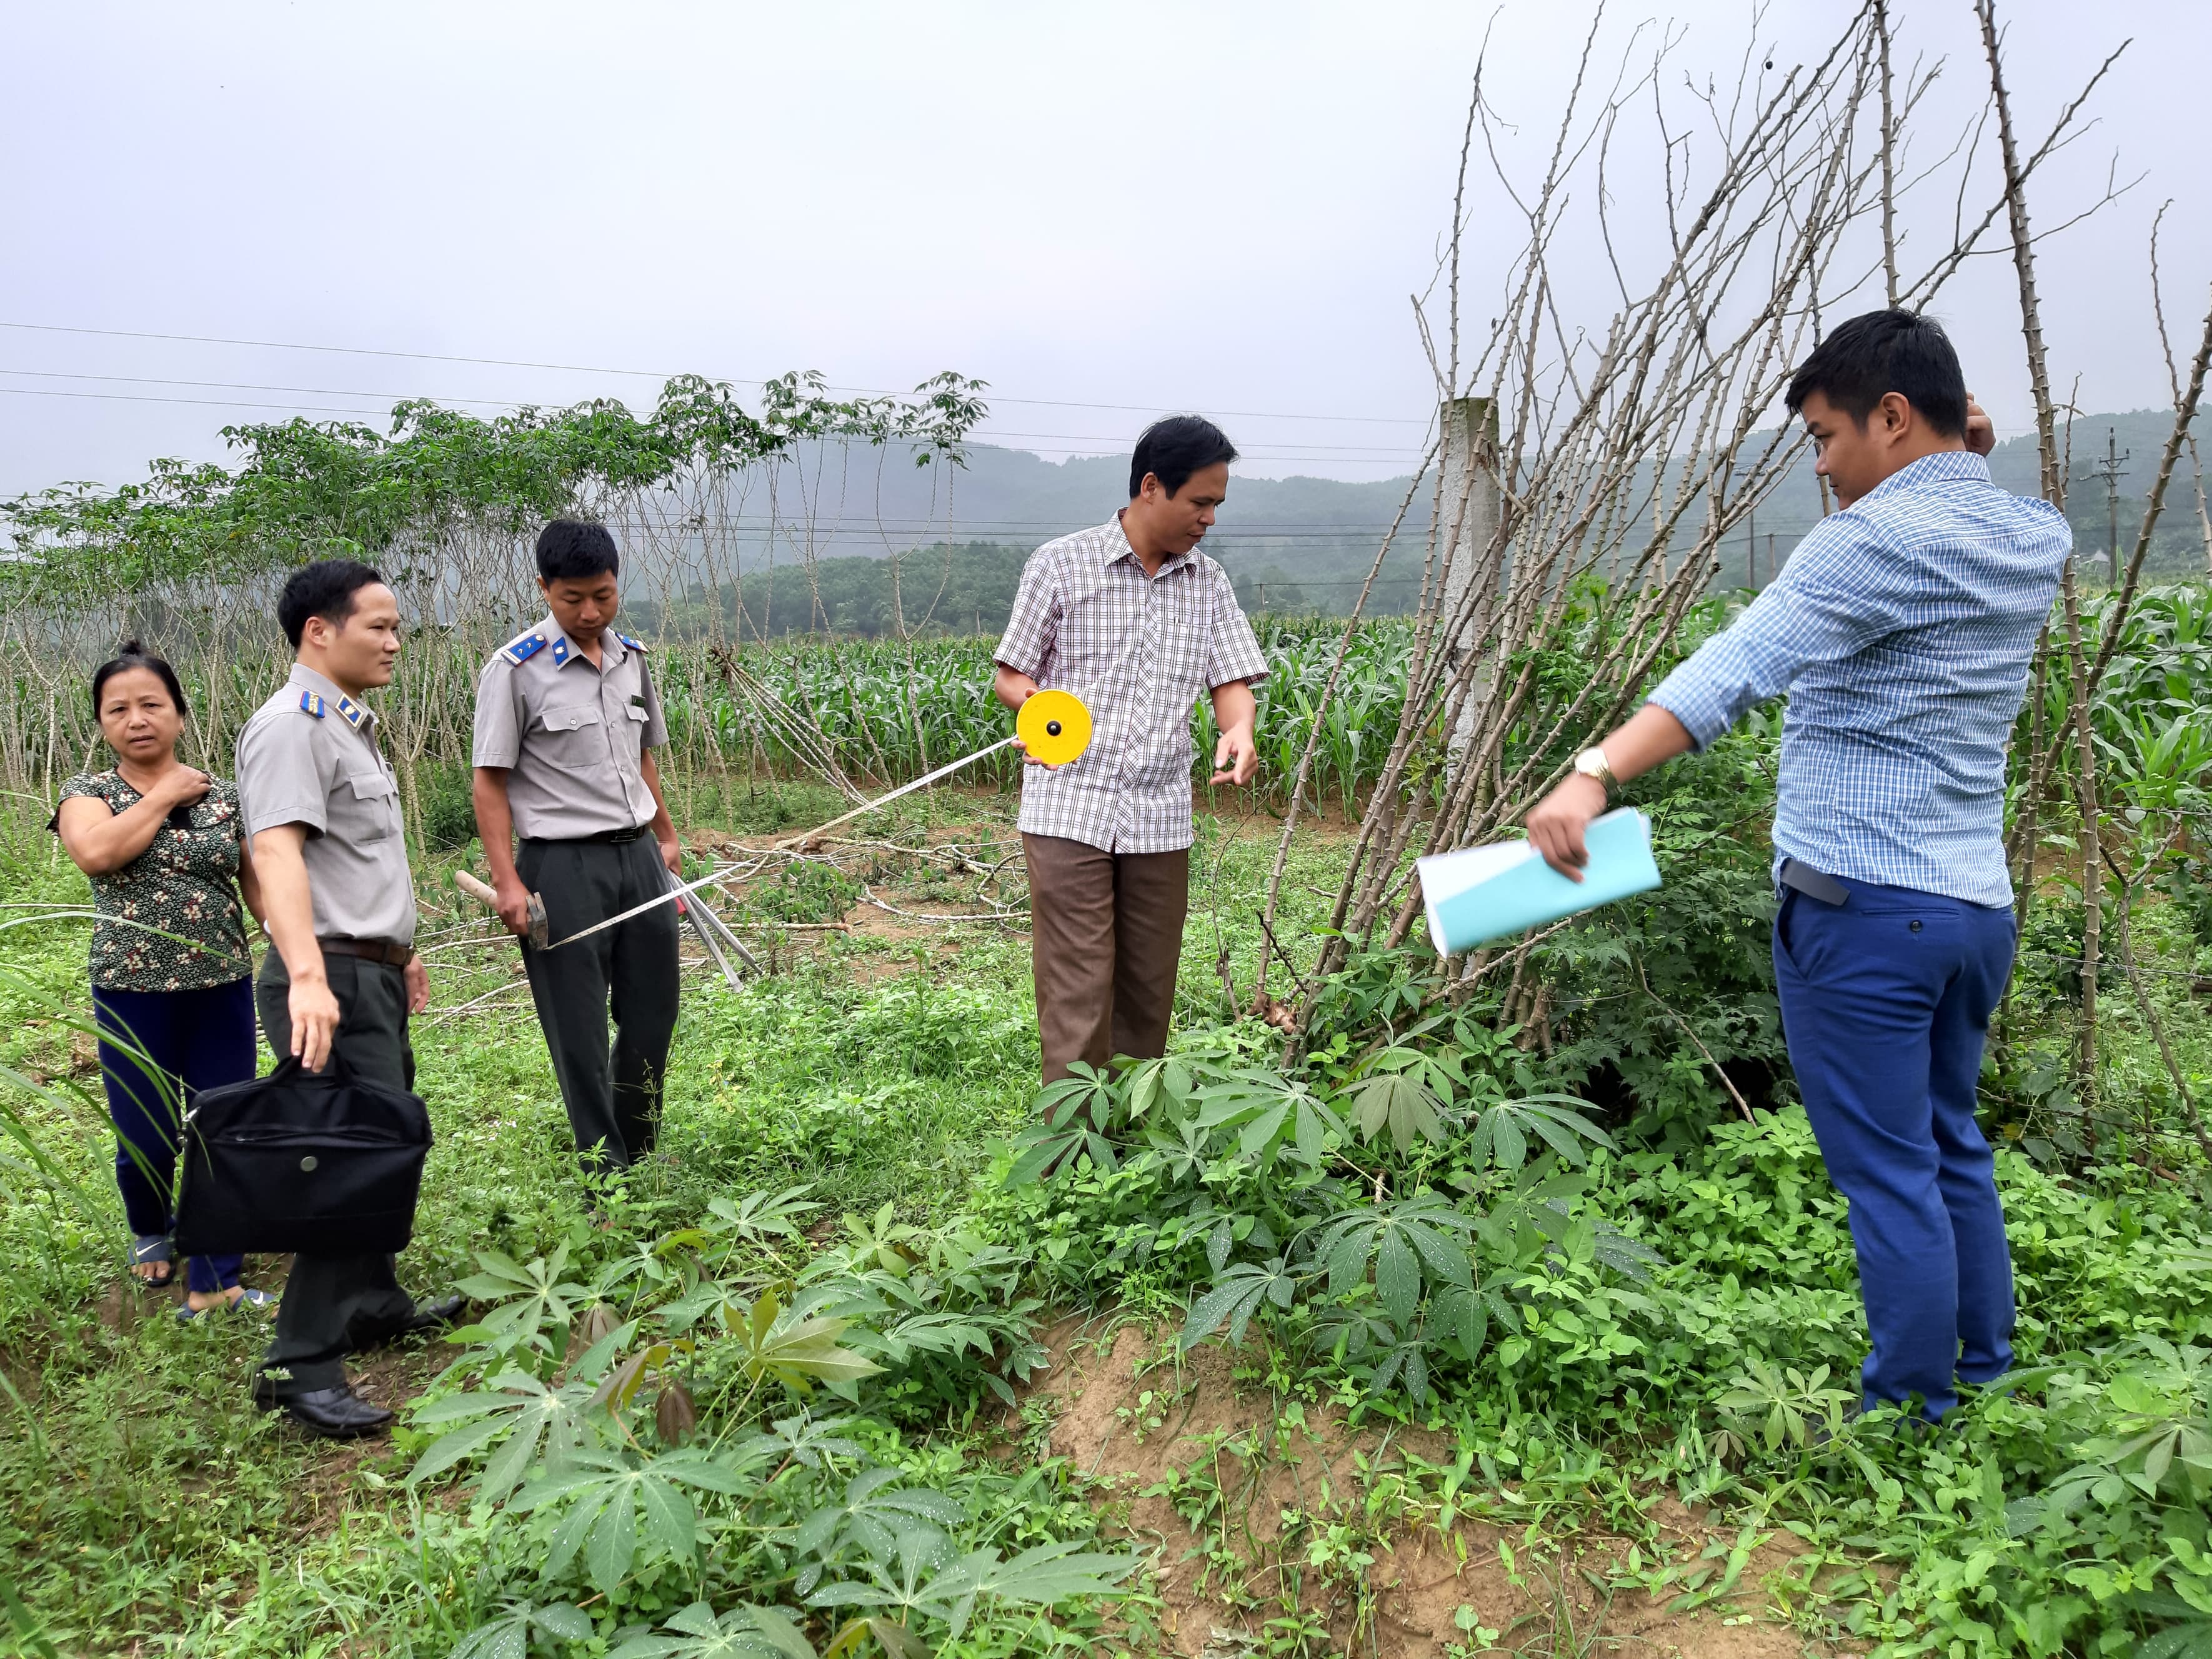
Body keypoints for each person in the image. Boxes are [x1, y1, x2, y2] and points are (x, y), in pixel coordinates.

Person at [1524, 308, 2067, 1426]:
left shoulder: (1866, 545)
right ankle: (1984, 1373)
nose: (1820, 466)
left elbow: (1734, 669)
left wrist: (1592, 775)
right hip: (1973, 911)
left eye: (1825, 436)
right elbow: (1983, 478)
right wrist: (1969, 444)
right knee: (1948, 1141)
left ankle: (1912, 1411)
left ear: (1894, 418)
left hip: (1861, 909)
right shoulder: (2031, 538)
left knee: (1888, 1172)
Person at [235, 559, 462, 1438]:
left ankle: (372, 1297)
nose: (396, 640)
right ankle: (300, 1361)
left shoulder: (345, 724)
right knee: (344, 1158)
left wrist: (394, 952)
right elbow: (278, 856)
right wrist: (307, 975)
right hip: (323, 972)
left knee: (387, 1137)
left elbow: (350, 862)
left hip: (363, 968)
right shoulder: (292, 726)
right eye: (379, 624)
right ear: (318, 631)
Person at [993, 415, 1267, 1084]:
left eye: (1217, 505)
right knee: (1079, 986)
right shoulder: (1060, 565)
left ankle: (1133, 1148)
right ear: (1151, 486)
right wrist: (1039, 711)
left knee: (1149, 986)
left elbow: (1231, 682)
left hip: (1160, 815)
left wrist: (1240, 728)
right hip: (1068, 807)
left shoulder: (1210, 584)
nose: (1209, 519)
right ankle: (1073, 1151)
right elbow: (1011, 675)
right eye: (1200, 502)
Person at [54, 643, 276, 1322]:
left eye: (152, 704)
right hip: (131, 990)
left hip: (222, 985)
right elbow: (97, 854)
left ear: (180, 713)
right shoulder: (86, 794)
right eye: (118, 709)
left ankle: (216, 1274)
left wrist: (297, 946)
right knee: (147, 1132)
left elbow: (258, 884)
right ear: (100, 724)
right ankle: (151, 1224)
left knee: (222, 1123)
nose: (137, 719)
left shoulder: (228, 799)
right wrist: (166, 794)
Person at [471, 520, 684, 1171]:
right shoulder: (514, 671)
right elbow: (490, 784)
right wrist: (508, 881)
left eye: (604, 595)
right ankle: (604, 1173)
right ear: (544, 589)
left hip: (639, 858)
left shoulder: (631, 660)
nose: (590, 613)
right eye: (573, 600)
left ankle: (639, 1148)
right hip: (561, 868)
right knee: (581, 1032)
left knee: (652, 1017)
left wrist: (667, 838)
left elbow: (642, 758)